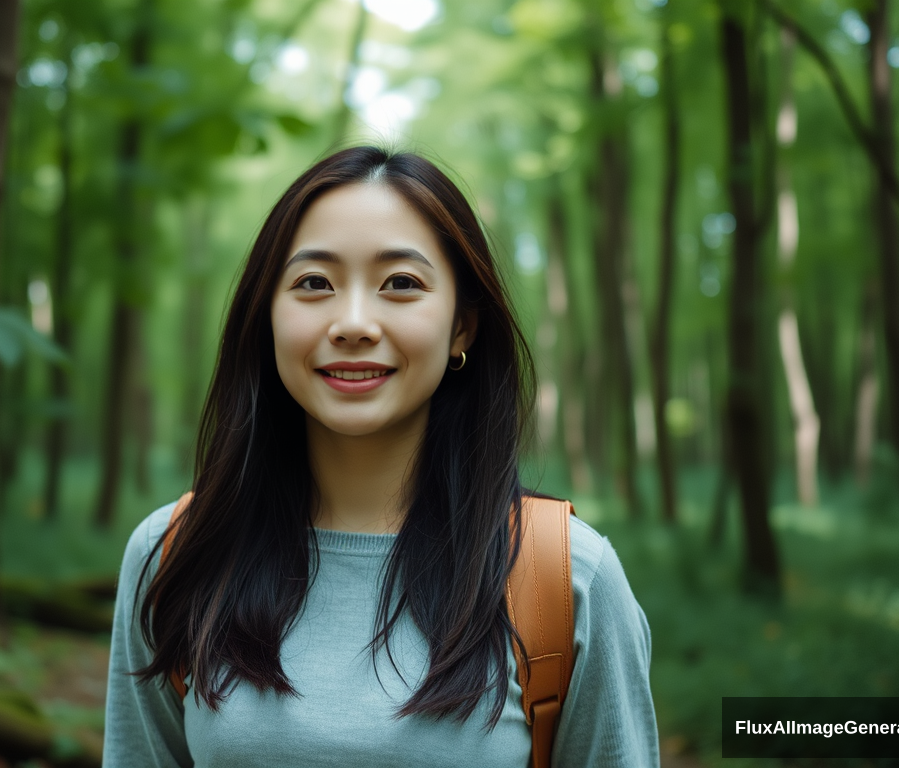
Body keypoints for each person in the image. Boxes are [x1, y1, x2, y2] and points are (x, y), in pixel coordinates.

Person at [104, 147, 658, 767]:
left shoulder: (567, 576)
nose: (354, 323)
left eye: (402, 283)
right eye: (314, 283)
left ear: (461, 329)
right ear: (267, 318)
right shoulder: (176, 552)